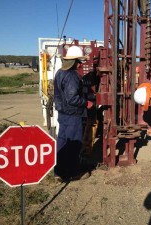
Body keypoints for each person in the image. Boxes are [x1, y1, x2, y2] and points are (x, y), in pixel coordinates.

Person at [53, 46, 93, 181]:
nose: (80, 64)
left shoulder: (60, 73)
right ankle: (73, 172)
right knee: (74, 144)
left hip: (63, 114)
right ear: (75, 61)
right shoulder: (72, 76)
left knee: (62, 142)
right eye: (79, 61)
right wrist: (86, 103)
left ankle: (58, 171)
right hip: (73, 115)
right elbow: (72, 98)